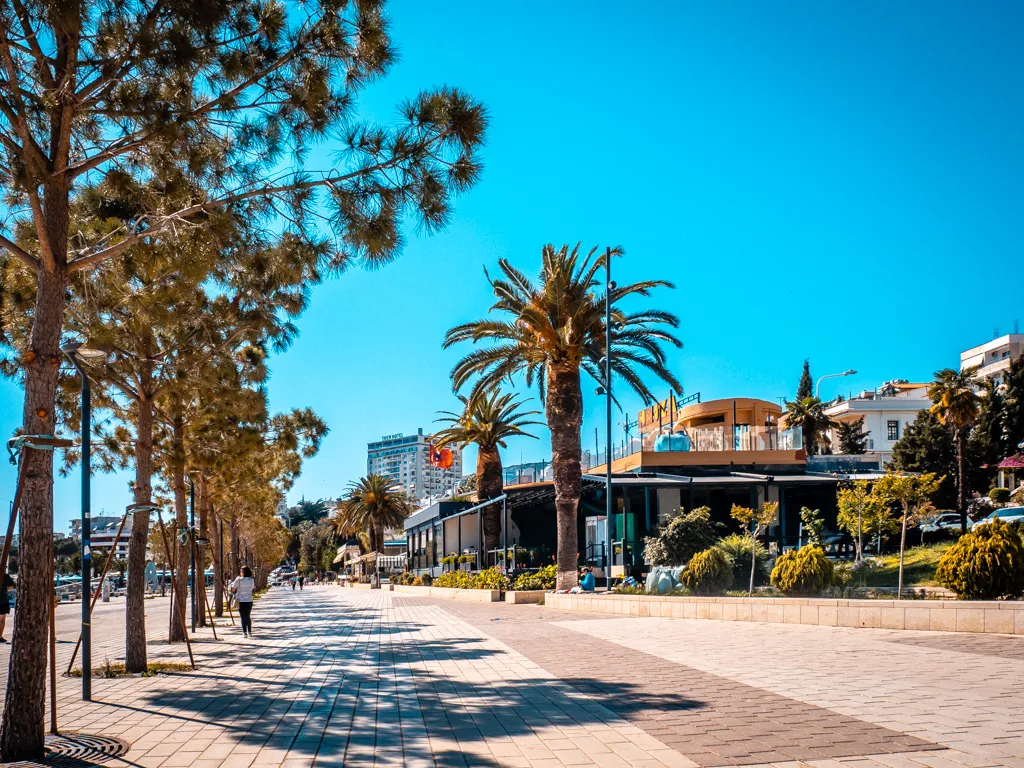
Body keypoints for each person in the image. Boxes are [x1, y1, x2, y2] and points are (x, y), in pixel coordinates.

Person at [229, 566, 256, 638]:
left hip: (240, 600)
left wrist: (235, 580)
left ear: (243, 572)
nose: (240, 573)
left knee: (243, 617)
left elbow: (233, 590)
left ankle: (244, 632)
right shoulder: (251, 580)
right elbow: (252, 588)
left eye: (241, 571)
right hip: (249, 600)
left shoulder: (239, 580)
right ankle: (249, 632)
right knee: (247, 616)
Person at [0, 572, 14, 642]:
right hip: (3, 600)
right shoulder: (4, 576)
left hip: (3, 600)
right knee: (2, 620)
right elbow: (11, 587)